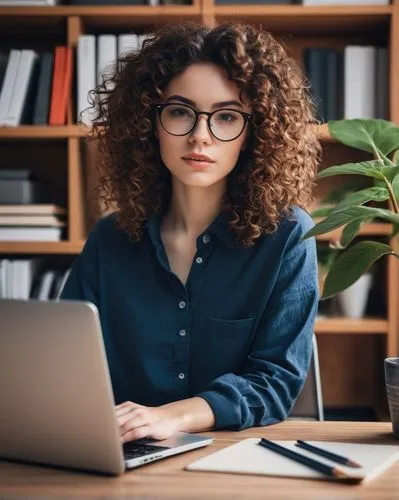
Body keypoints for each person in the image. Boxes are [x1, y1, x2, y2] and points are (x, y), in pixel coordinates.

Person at [61, 22, 321, 444]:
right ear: (150, 124)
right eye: (180, 111)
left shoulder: (288, 237)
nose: (201, 136)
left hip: (236, 460)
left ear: (253, 134)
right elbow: (63, 364)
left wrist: (171, 418)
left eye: (226, 116)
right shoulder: (110, 239)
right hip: (120, 456)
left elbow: (274, 383)